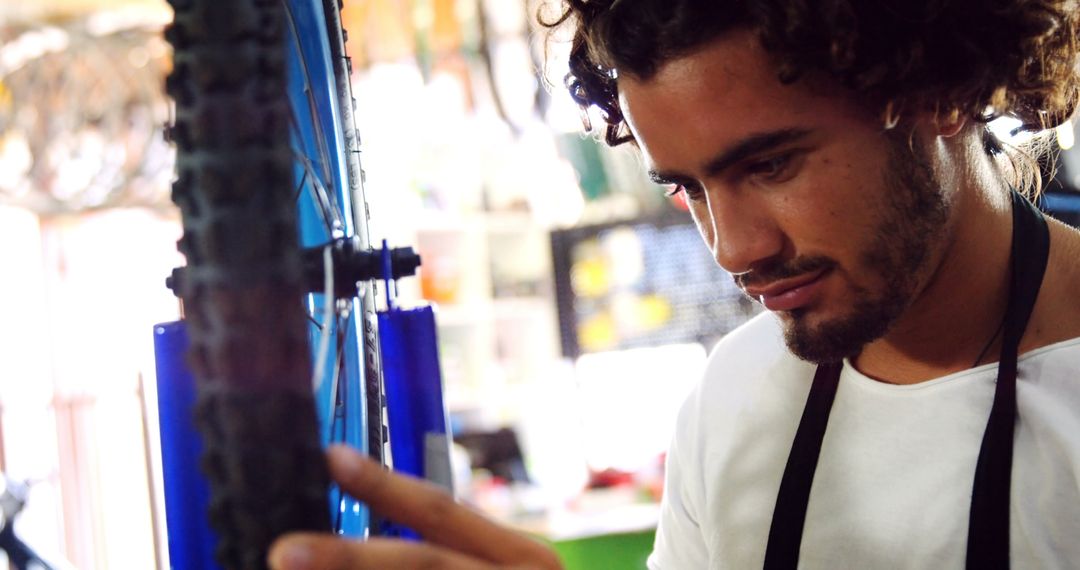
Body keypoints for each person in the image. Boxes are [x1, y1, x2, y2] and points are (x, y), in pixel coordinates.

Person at [268, 0, 1080, 568]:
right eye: (687, 188)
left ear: (938, 93)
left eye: (770, 164)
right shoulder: (737, 392)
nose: (732, 250)